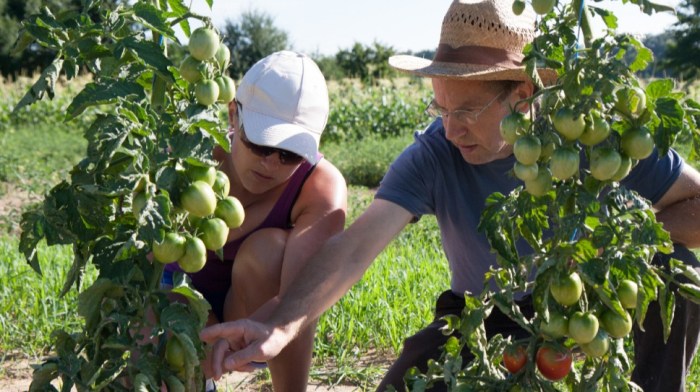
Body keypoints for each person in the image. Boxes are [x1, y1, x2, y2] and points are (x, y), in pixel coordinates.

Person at [199, 2, 700, 391]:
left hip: (591, 298)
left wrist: (613, 238)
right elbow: (356, 246)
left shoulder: (593, 141)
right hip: (485, 311)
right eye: (440, 108)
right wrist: (283, 324)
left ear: (521, 97)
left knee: (676, 270)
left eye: (464, 112)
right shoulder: (435, 155)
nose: (450, 128)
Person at [164, 50, 347, 391]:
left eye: (289, 153)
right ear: (233, 115)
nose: (271, 164)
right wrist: (198, 342)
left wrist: (232, 339)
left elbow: (299, 303)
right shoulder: (190, 160)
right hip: (176, 299)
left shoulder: (319, 187)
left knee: (269, 250)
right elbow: (147, 271)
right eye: (261, 144)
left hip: (257, 315)